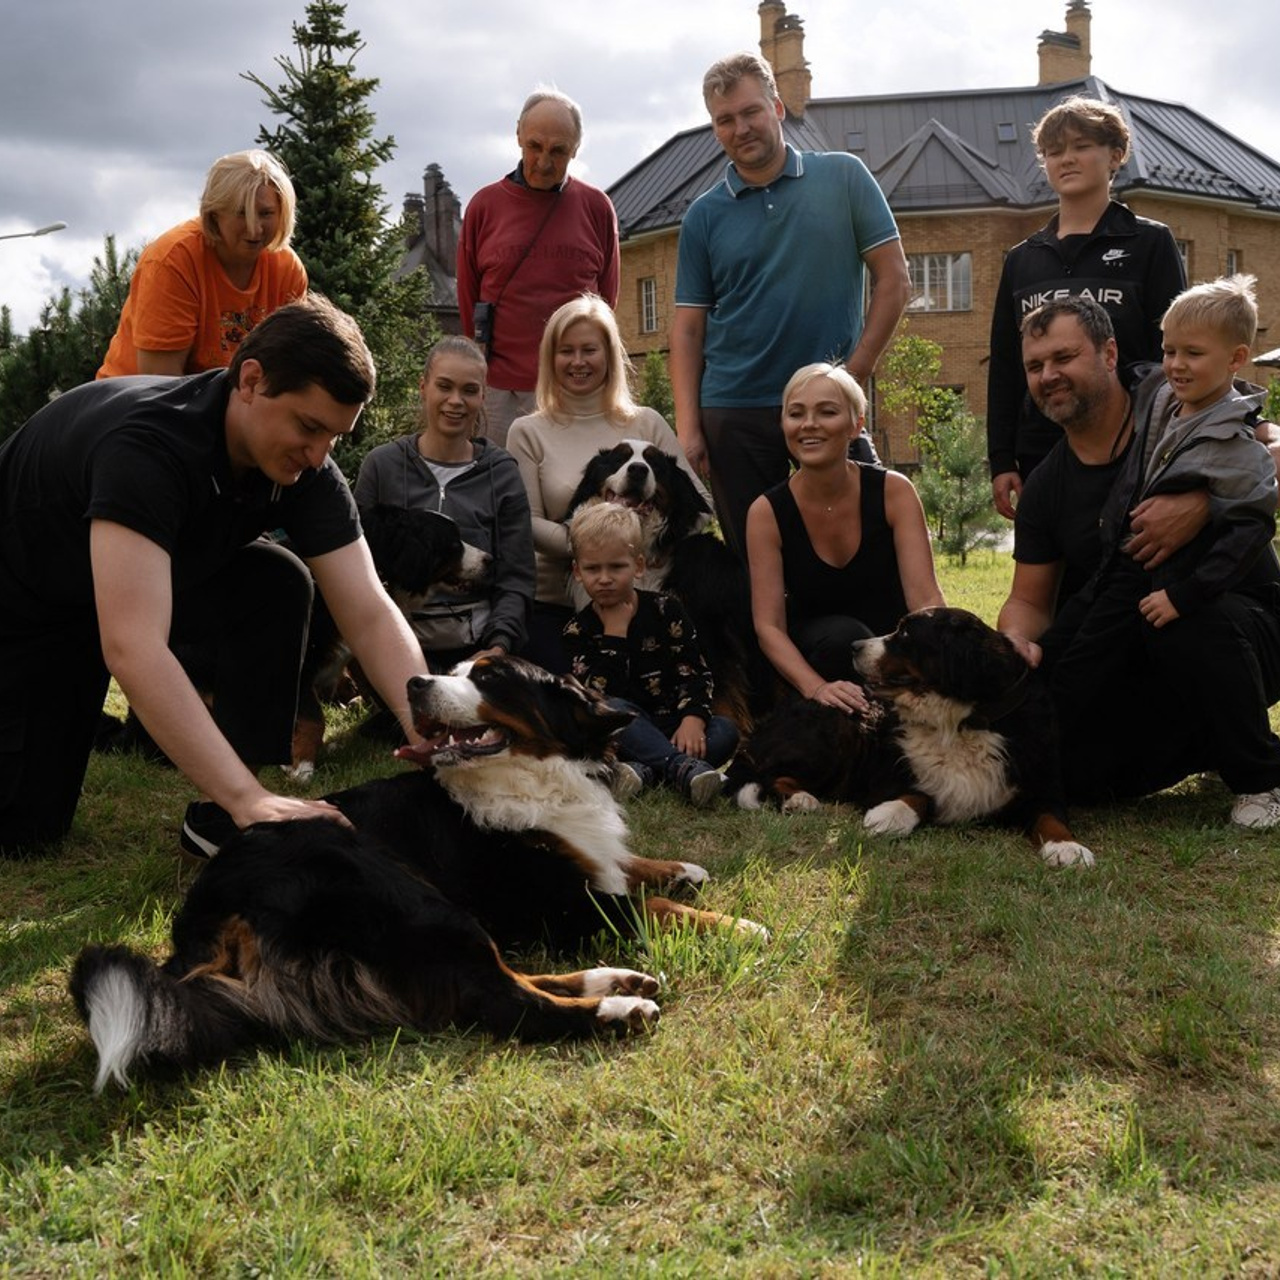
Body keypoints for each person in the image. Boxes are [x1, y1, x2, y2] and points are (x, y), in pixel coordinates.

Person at [0, 295, 426, 858]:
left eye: (336, 438)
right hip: (21, 599)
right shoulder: (149, 447)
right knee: (22, 833)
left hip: (117, 580)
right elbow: (131, 645)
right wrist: (249, 796)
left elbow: (369, 612)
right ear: (251, 380)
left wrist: (429, 728)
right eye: (309, 426)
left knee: (275, 580)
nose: (320, 455)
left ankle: (223, 814)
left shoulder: (308, 467)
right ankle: (242, 797)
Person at [997, 296, 1280, 827]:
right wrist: (1015, 646)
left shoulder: (1173, 398)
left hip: (1237, 626)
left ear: (1109, 354)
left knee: (1174, 619)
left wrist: (1204, 500)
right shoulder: (1046, 488)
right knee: (1077, 774)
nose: (1049, 375)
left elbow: (1263, 442)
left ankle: (1260, 774)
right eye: (1035, 366)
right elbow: (1027, 599)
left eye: (1063, 357)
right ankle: (1214, 742)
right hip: (1132, 627)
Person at [670, 51, 911, 559]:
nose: (741, 128)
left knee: (864, 549)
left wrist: (853, 378)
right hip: (735, 409)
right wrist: (689, 428)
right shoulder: (703, 216)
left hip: (825, 405)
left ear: (777, 107)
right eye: (725, 120)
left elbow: (894, 281)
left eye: (750, 111)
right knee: (758, 563)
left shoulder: (844, 178)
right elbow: (688, 330)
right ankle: (770, 642)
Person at [987, 95, 1186, 519]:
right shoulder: (1023, 258)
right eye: (1054, 151)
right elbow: (1006, 366)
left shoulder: (1150, 243)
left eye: (1081, 146)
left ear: (1116, 155)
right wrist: (1002, 460)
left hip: (1130, 445)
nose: (1067, 159)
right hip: (1042, 446)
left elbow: (1172, 353)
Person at [507, 294, 709, 673]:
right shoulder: (527, 431)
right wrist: (598, 550)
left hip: (648, 599)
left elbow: (698, 508)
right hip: (558, 603)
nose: (578, 361)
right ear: (550, 358)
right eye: (566, 351)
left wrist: (650, 549)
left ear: (610, 355)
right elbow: (527, 523)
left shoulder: (646, 422)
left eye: (590, 349)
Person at [745, 363, 944, 715]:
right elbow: (769, 627)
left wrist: (940, 669)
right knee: (842, 635)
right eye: (796, 413)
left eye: (827, 411)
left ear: (857, 424)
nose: (808, 424)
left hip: (891, 650)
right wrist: (817, 687)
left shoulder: (894, 492)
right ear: (783, 424)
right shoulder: (766, 513)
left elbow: (925, 599)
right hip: (820, 655)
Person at [354, 335, 534, 668]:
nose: (455, 401)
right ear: (423, 387)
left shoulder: (503, 472)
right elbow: (355, 564)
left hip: (475, 648)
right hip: (391, 644)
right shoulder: (381, 466)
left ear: (483, 396)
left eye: (469, 390)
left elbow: (516, 577)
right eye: (444, 386)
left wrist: (499, 645)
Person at [457, 88, 620, 447]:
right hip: (501, 393)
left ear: (575, 149)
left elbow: (606, 305)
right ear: (518, 135)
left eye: (558, 150)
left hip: (576, 390)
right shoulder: (484, 206)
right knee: (499, 493)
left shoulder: (597, 208)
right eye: (535, 146)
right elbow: (468, 301)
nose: (544, 162)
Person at [564, 504, 737, 806]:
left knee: (725, 731)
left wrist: (693, 718)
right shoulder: (577, 630)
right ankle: (680, 768)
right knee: (611, 709)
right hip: (621, 736)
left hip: (673, 725)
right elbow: (598, 698)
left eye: (616, 567)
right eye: (593, 569)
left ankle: (645, 773)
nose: (604, 578)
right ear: (578, 572)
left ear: (639, 566)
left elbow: (693, 669)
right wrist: (614, 635)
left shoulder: (666, 610)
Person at [98, 150, 307, 378]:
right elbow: (159, 383)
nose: (254, 229)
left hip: (231, 404)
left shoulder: (286, 269)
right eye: (240, 213)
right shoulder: (172, 261)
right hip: (137, 403)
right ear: (215, 213)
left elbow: (286, 367)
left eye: (266, 213)